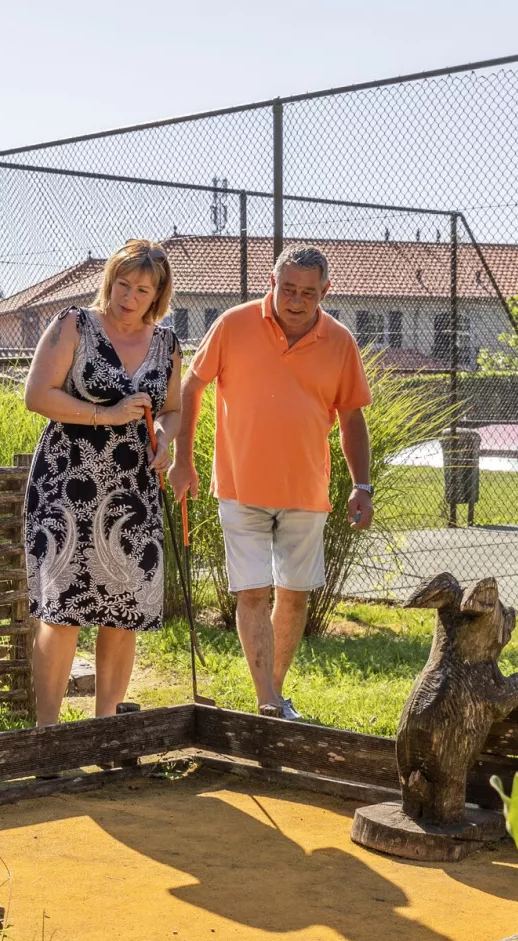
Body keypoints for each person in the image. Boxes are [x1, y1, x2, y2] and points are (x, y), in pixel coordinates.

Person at [169, 245, 372, 719]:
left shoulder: (340, 341)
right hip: (240, 485)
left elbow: (352, 417)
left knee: (295, 595)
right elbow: (191, 386)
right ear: (272, 281)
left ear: (326, 291)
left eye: (308, 292)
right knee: (253, 591)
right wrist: (183, 461)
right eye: (288, 289)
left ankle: (273, 697)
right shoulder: (234, 324)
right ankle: (267, 698)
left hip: (307, 489)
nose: (296, 301)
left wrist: (362, 486)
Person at [22, 239, 182, 727]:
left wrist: (163, 438)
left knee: (123, 614)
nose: (128, 296)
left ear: (157, 296)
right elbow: (36, 395)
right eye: (122, 283)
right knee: (62, 612)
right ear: (110, 279)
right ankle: (47, 733)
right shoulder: (74, 324)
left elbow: (172, 410)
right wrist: (105, 415)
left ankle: (105, 731)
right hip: (67, 486)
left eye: (142, 289)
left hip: (134, 492)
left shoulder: (168, 344)